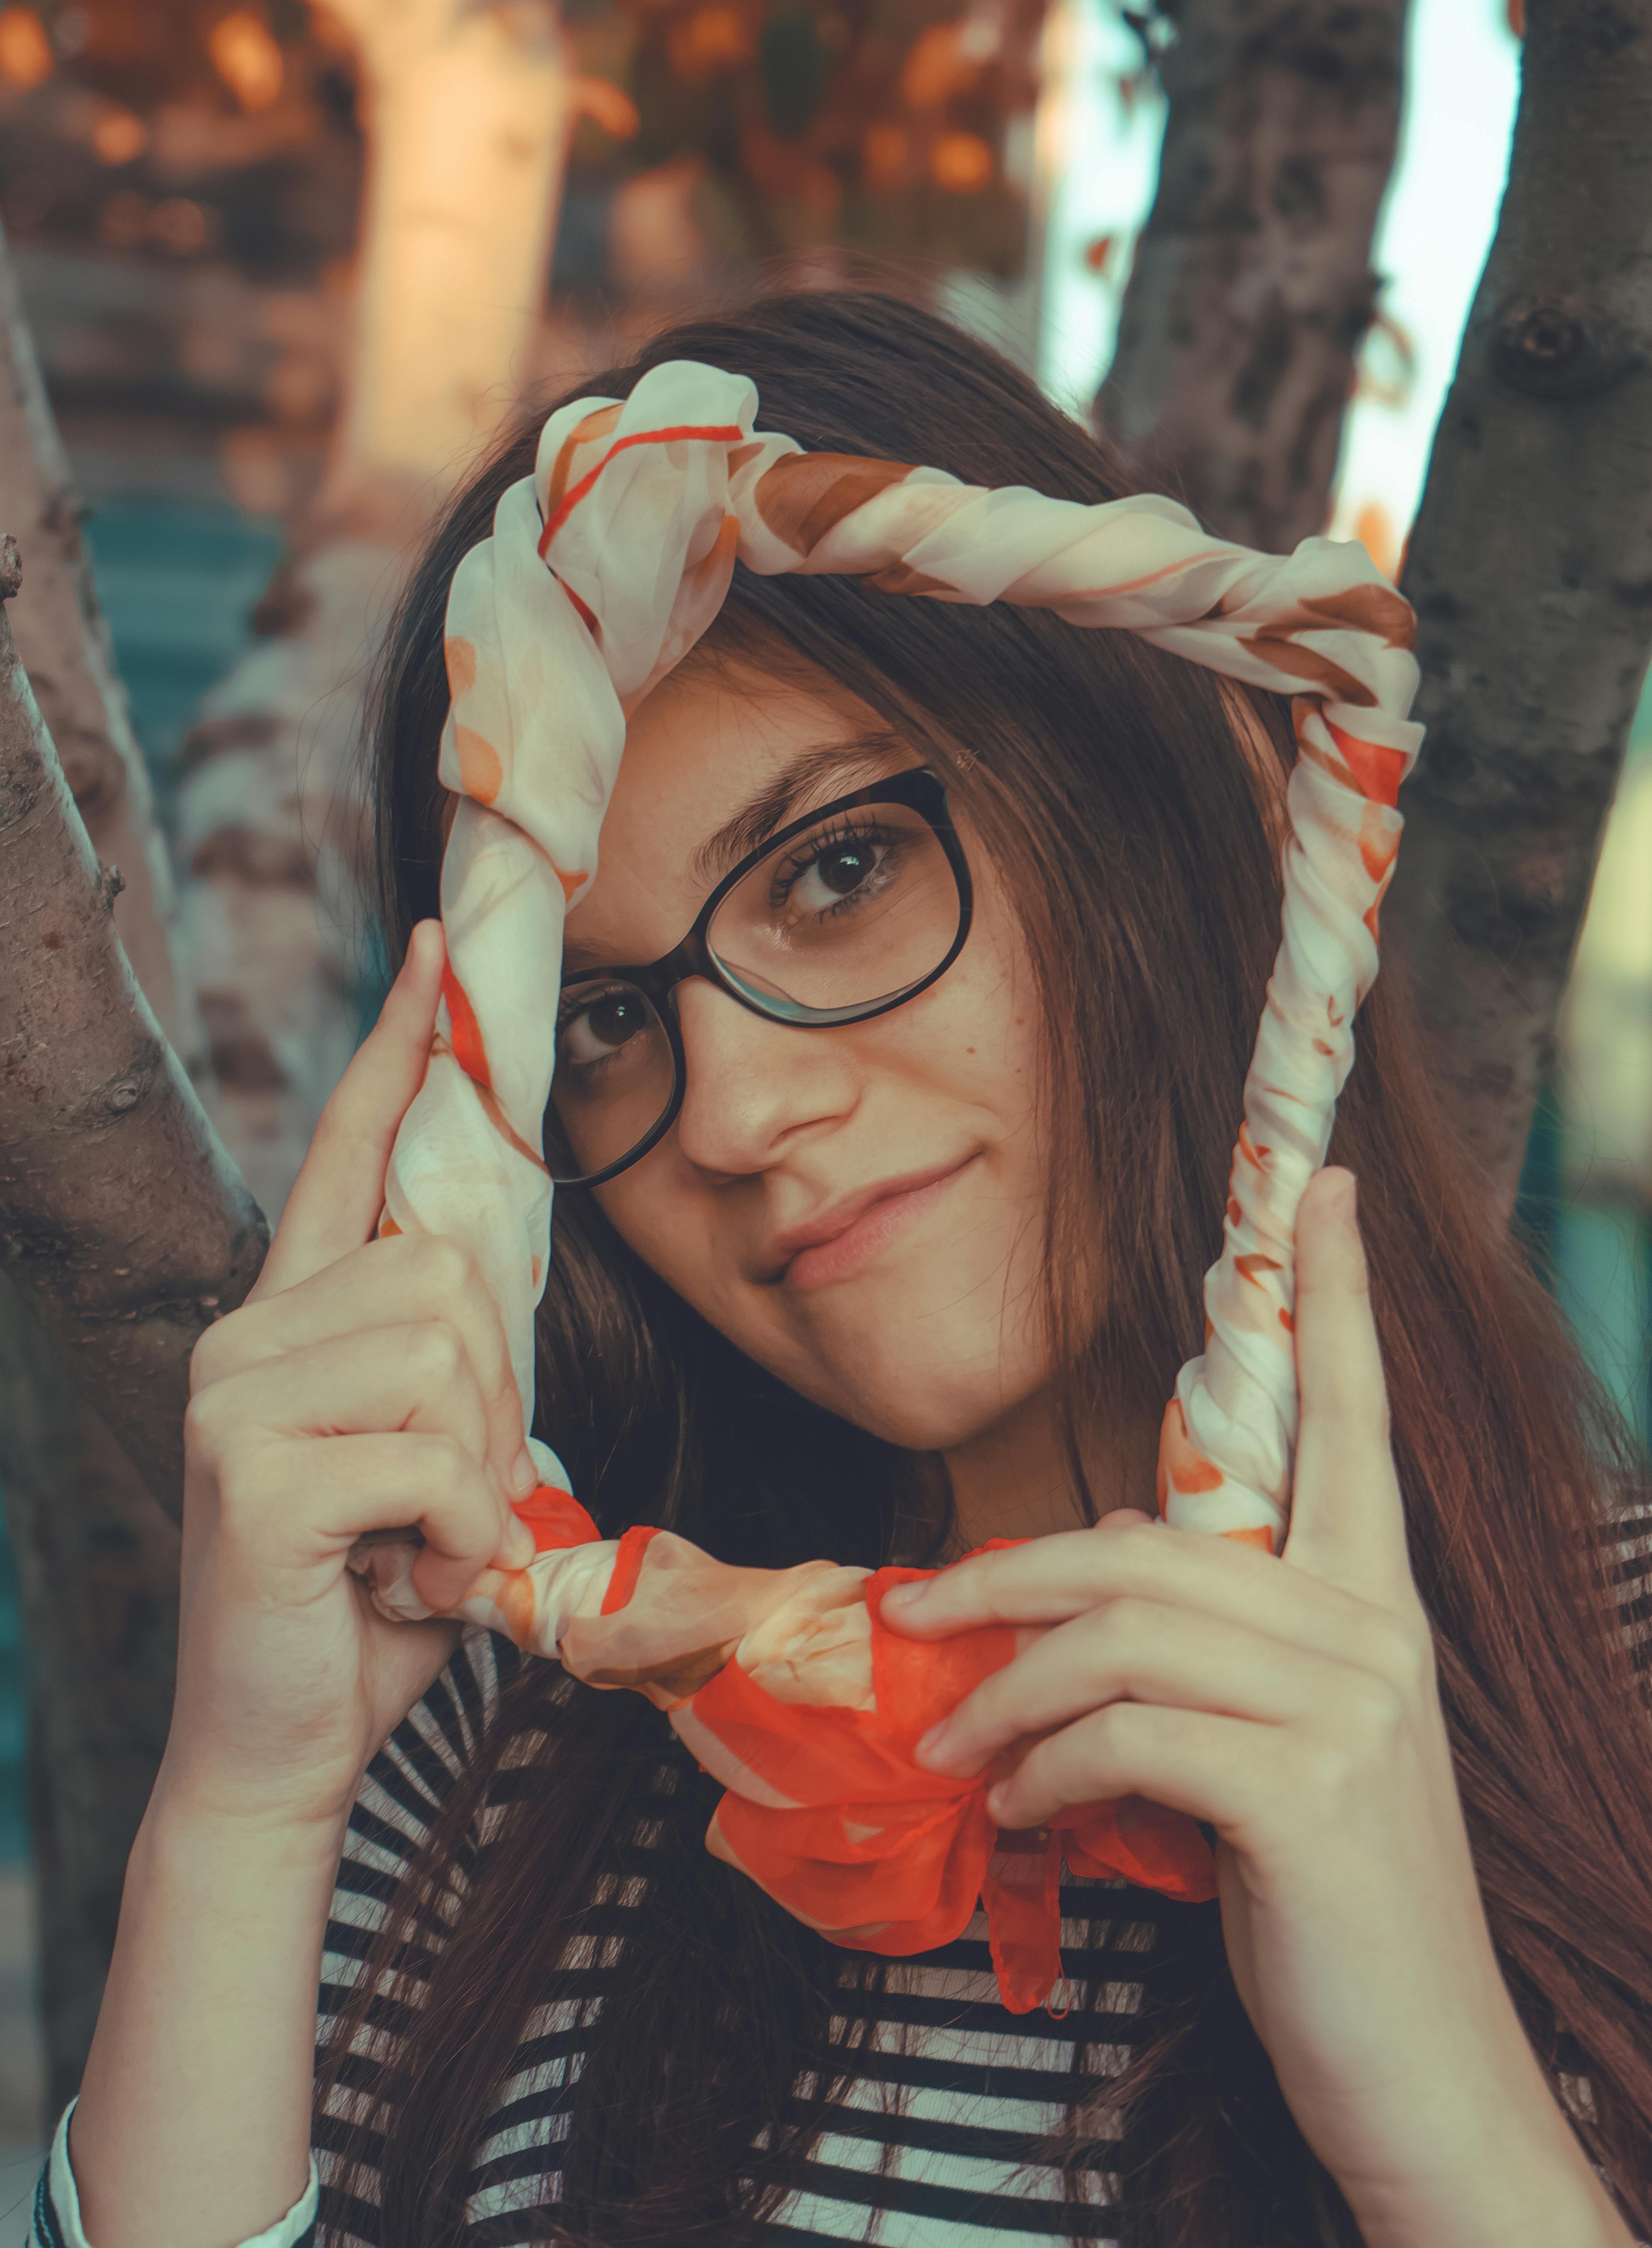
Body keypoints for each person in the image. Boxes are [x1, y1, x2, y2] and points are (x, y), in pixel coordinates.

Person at [42, 293, 1652, 2248]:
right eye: (611, 1019)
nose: (727, 1110)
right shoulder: (484, 1753)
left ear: (1164, 797)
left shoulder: (1618, 1679)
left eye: (833, 868)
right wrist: (241, 1815)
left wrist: (1443, 2116)